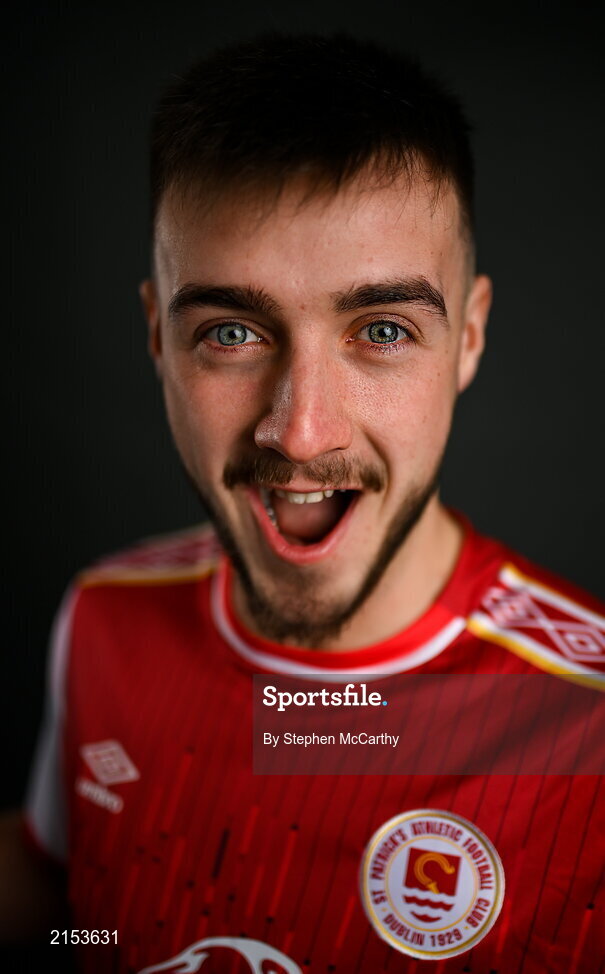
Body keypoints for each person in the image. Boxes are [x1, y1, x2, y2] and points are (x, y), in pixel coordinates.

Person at [2, 33, 603, 973]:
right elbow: (64, 906)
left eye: (382, 329)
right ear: (159, 339)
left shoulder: (590, 733)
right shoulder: (104, 616)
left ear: (470, 338)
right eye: (232, 332)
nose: (300, 431)